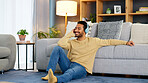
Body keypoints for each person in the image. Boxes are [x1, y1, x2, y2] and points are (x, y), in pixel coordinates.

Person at [41, 21, 134, 83]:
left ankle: (56, 79)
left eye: (79, 28)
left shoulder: (94, 41)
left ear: (85, 30)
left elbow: (109, 41)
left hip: (81, 68)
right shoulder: (72, 42)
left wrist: (125, 42)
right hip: (69, 64)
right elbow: (60, 44)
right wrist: (69, 35)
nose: (76, 30)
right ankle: (49, 74)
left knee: (70, 73)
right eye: (75, 28)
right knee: (57, 48)